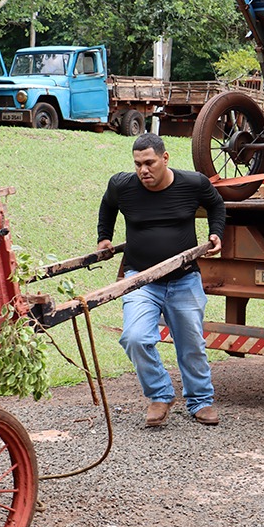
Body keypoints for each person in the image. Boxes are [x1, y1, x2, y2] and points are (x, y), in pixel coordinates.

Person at [97, 133, 226, 428]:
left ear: (165, 158)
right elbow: (108, 206)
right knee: (134, 337)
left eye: (149, 163)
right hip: (141, 280)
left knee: (191, 344)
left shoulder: (193, 183)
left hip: (184, 279)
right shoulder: (122, 185)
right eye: (138, 164)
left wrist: (216, 232)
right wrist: (104, 237)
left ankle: (201, 401)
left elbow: (217, 205)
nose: (143, 170)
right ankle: (160, 394)